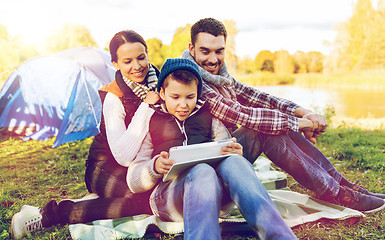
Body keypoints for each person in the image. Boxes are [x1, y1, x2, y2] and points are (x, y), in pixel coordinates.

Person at [179, 17, 385, 213]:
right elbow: (241, 114)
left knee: (277, 124)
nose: (213, 59)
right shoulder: (190, 79)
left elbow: (257, 96)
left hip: (227, 154)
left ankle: (344, 187)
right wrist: (299, 123)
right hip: (205, 175)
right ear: (191, 49)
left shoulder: (220, 76)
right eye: (205, 51)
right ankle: (336, 193)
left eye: (219, 51)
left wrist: (304, 112)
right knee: (262, 128)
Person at [127, 57, 298, 240]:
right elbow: (134, 181)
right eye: (175, 97)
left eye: (190, 97)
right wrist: (154, 167)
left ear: (198, 93)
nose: (183, 105)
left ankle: (280, 237)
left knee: (234, 162)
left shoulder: (208, 116)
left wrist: (234, 153)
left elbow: (224, 146)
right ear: (162, 93)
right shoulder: (151, 119)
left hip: (212, 196)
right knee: (202, 170)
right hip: (169, 198)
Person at [10, 30, 159, 239]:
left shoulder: (160, 84)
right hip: (103, 167)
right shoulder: (113, 98)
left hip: (141, 166)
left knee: (158, 196)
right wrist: (146, 107)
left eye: (141, 57)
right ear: (115, 64)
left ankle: (91, 201)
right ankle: (49, 214)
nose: (137, 66)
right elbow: (124, 156)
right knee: (144, 202)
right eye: (128, 61)